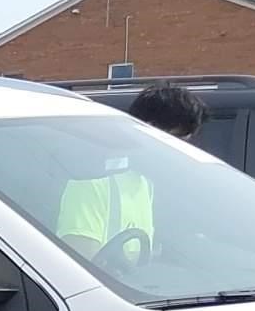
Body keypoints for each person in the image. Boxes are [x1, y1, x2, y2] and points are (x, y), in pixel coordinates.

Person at [57, 80, 208, 255]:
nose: (183, 153)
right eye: (177, 141)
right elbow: (80, 266)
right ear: (147, 130)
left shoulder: (145, 184)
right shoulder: (91, 184)